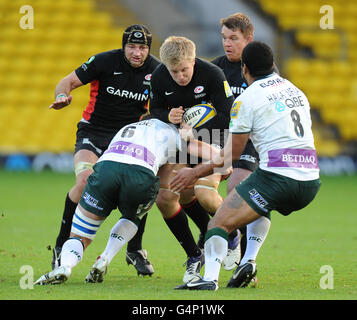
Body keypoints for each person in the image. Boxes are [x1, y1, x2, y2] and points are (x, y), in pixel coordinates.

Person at [171, 41, 321, 290]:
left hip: (277, 177)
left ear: (244, 68)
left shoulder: (247, 98)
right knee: (259, 204)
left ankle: (209, 280)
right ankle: (248, 261)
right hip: (311, 179)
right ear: (273, 64)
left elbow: (233, 153)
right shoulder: (295, 90)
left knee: (219, 223)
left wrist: (195, 172)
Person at [34, 118, 220, 285]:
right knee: (133, 216)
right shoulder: (173, 133)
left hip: (106, 169)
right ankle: (105, 257)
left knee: (80, 235)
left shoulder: (130, 126)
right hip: (140, 174)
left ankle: (65, 266)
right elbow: (207, 155)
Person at [49, 24, 160, 276]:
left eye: (142, 48)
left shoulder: (157, 71)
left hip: (128, 141)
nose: (137, 53)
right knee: (85, 180)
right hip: (93, 133)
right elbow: (67, 81)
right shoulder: (103, 61)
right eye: (131, 46)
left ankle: (135, 249)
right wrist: (61, 96)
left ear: (148, 49)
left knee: (138, 188)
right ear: (124, 46)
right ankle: (60, 245)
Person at [149, 36, 235, 283]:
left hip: (214, 136)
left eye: (184, 70)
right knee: (168, 196)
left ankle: (233, 233)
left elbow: (228, 115)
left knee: (205, 194)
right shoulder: (159, 76)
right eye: (174, 71)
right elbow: (154, 110)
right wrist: (168, 115)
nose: (180, 76)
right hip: (182, 139)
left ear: (193, 61)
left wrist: (194, 130)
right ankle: (199, 248)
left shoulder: (213, 74)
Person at [211, 13, 272, 278]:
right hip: (215, 139)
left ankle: (247, 263)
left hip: (249, 142)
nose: (227, 43)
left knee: (238, 188)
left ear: (249, 39)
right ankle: (227, 237)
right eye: (224, 38)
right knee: (186, 190)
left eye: (233, 38)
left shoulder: (261, 71)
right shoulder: (214, 70)